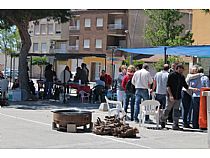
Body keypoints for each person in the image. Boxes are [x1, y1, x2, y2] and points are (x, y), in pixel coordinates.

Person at [160, 63, 189, 130]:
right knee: (167, 109)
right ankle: (162, 121)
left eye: (182, 69)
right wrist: (170, 95)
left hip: (178, 96)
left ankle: (175, 124)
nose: (181, 71)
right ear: (177, 69)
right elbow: (168, 86)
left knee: (176, 111)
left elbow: (185, 86)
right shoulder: (171, 75)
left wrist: (192, 89)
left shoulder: (182, 77)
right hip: (171, 96)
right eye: (180, 69)